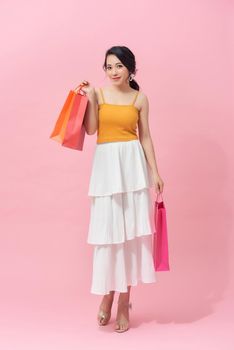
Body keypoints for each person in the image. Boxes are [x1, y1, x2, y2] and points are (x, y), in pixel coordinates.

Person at [75, 46, 164, 333]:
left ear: (130, 69)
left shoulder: (140, 99)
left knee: (130, 236)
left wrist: (155, 172)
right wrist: (89, 99)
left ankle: (125, 300)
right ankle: (107, 294)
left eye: (118, 66)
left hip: (132, 168)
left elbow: (146, 137)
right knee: (109, 235)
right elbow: (90, 131)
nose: (112, 72)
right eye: (108, 66)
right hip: (106, 168)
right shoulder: (99, 94)